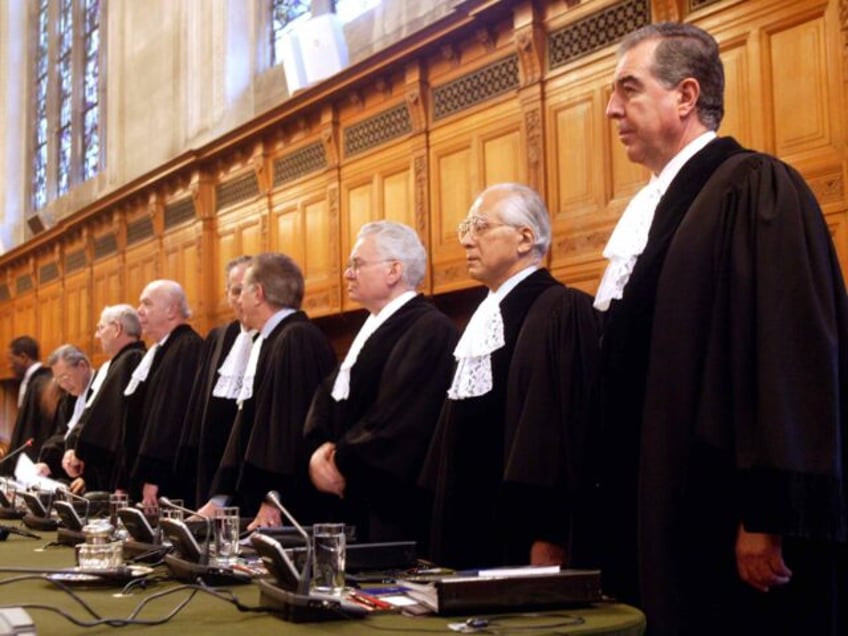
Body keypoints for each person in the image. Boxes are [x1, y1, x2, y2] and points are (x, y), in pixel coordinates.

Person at [591, 22, 848, 636]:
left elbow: (789, 356)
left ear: (685, 96)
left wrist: (767, 515)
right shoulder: (661, 207)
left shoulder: (755, 186)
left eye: (628, 88)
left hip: (730, 524)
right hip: (668, 511)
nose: (609, 109)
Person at [420, 183, 601, 569]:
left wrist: (548, 533)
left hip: (519, 536)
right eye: (465, 227)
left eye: (481, 226)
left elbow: (558, 434)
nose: (467, 240)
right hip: (467, 526)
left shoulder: (560, 310)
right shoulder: (483, 315)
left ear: (525, 238)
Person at [304, 221, 458, 546]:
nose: (347, 274)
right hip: (352, 501)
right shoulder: (370, 328)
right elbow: (327, 396)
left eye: (357, 264)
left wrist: (340, 461)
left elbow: (402, 418)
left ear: (394, 271)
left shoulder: (430, 329)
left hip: (392, 509)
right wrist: (318, 450)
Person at [204, 253, 336, 527]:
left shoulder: (295, 337)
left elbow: (288, 426)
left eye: (242, 292)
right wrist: (221, 498)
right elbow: (252, 424)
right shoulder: (273, 338)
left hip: (290, 510)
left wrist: (273, 497)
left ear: (258, 294)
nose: (238, 301)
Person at [176, 256, 253, 507]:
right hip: (212, 463)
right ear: (227, 294)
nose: (241, 299)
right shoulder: (219, 337)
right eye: (235, 290)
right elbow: (198, 410)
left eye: (247, 289)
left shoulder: (277, 339)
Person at [127, 280, 203, 508]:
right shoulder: (164, 349)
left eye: (147, 304)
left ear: (171, 310)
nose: (139, 310)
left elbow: (170, 418)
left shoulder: (186, 347)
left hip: (171, 481)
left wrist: (154, 475)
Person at [62, 305, 147, 494]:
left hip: (122, 478)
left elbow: (109, 421)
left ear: (117, 329)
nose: (96, 335)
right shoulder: (117, 363)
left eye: (101, 328)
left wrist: (80, 453)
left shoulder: (131, 359)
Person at [33, 345, 94, 483]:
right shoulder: (69, 399)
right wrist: (49, 465)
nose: (62, 385)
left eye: (65, 377)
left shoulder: (100, 391)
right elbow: (64, 436)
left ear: (82, 366)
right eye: (58, 380)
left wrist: (87, 478)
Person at [2, 336, 55, 472]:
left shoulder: (43, 383)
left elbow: (41, 429)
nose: (9, 365)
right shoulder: (32, 382)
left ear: (24, 357)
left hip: (35, 464)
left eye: (11, 360)